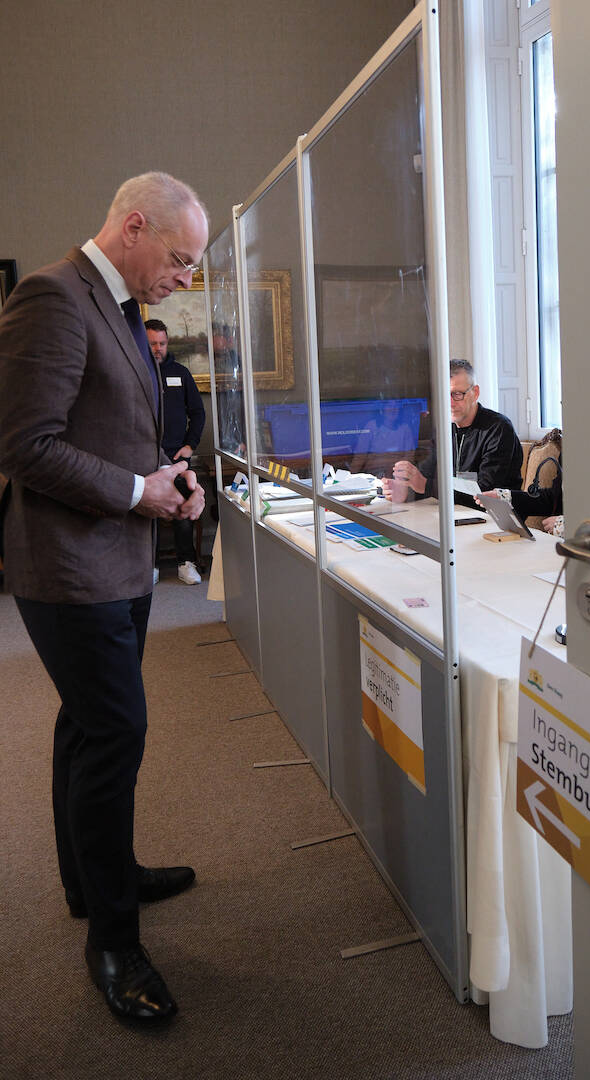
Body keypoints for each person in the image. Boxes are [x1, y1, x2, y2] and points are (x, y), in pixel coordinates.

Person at [0, 172, 209, 1023]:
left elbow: (121, 427)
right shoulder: (53, 296)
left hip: (117, 563)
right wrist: (135, 493)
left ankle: (95, 883)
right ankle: (114, 945)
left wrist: (172, 480)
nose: (186, 280)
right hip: (71, 569)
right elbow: (26, 445)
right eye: (182, 259)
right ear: (133, 226)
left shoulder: (118, 305)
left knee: (86, 726)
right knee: (116, 730)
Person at [382, 359, 523, 507]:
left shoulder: (498, 428)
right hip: (454, 515)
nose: (450, 403)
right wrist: (407, 490)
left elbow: (484, 494)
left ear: (475, 393)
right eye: (444, 394)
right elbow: (426, 474)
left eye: (457, 394)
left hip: (494, 520)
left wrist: (423, 485)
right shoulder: (444, 429)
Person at [145, 317, 206, 584]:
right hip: (144, 458)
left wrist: (190, 445)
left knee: (183, 509)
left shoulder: (180, 373)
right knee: (147, 514)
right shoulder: (137, 372)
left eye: (162, 343)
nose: (158, 348)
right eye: (152, 343)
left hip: (177, 459)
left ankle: (186, 562)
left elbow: (198, 412)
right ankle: (150, 567)